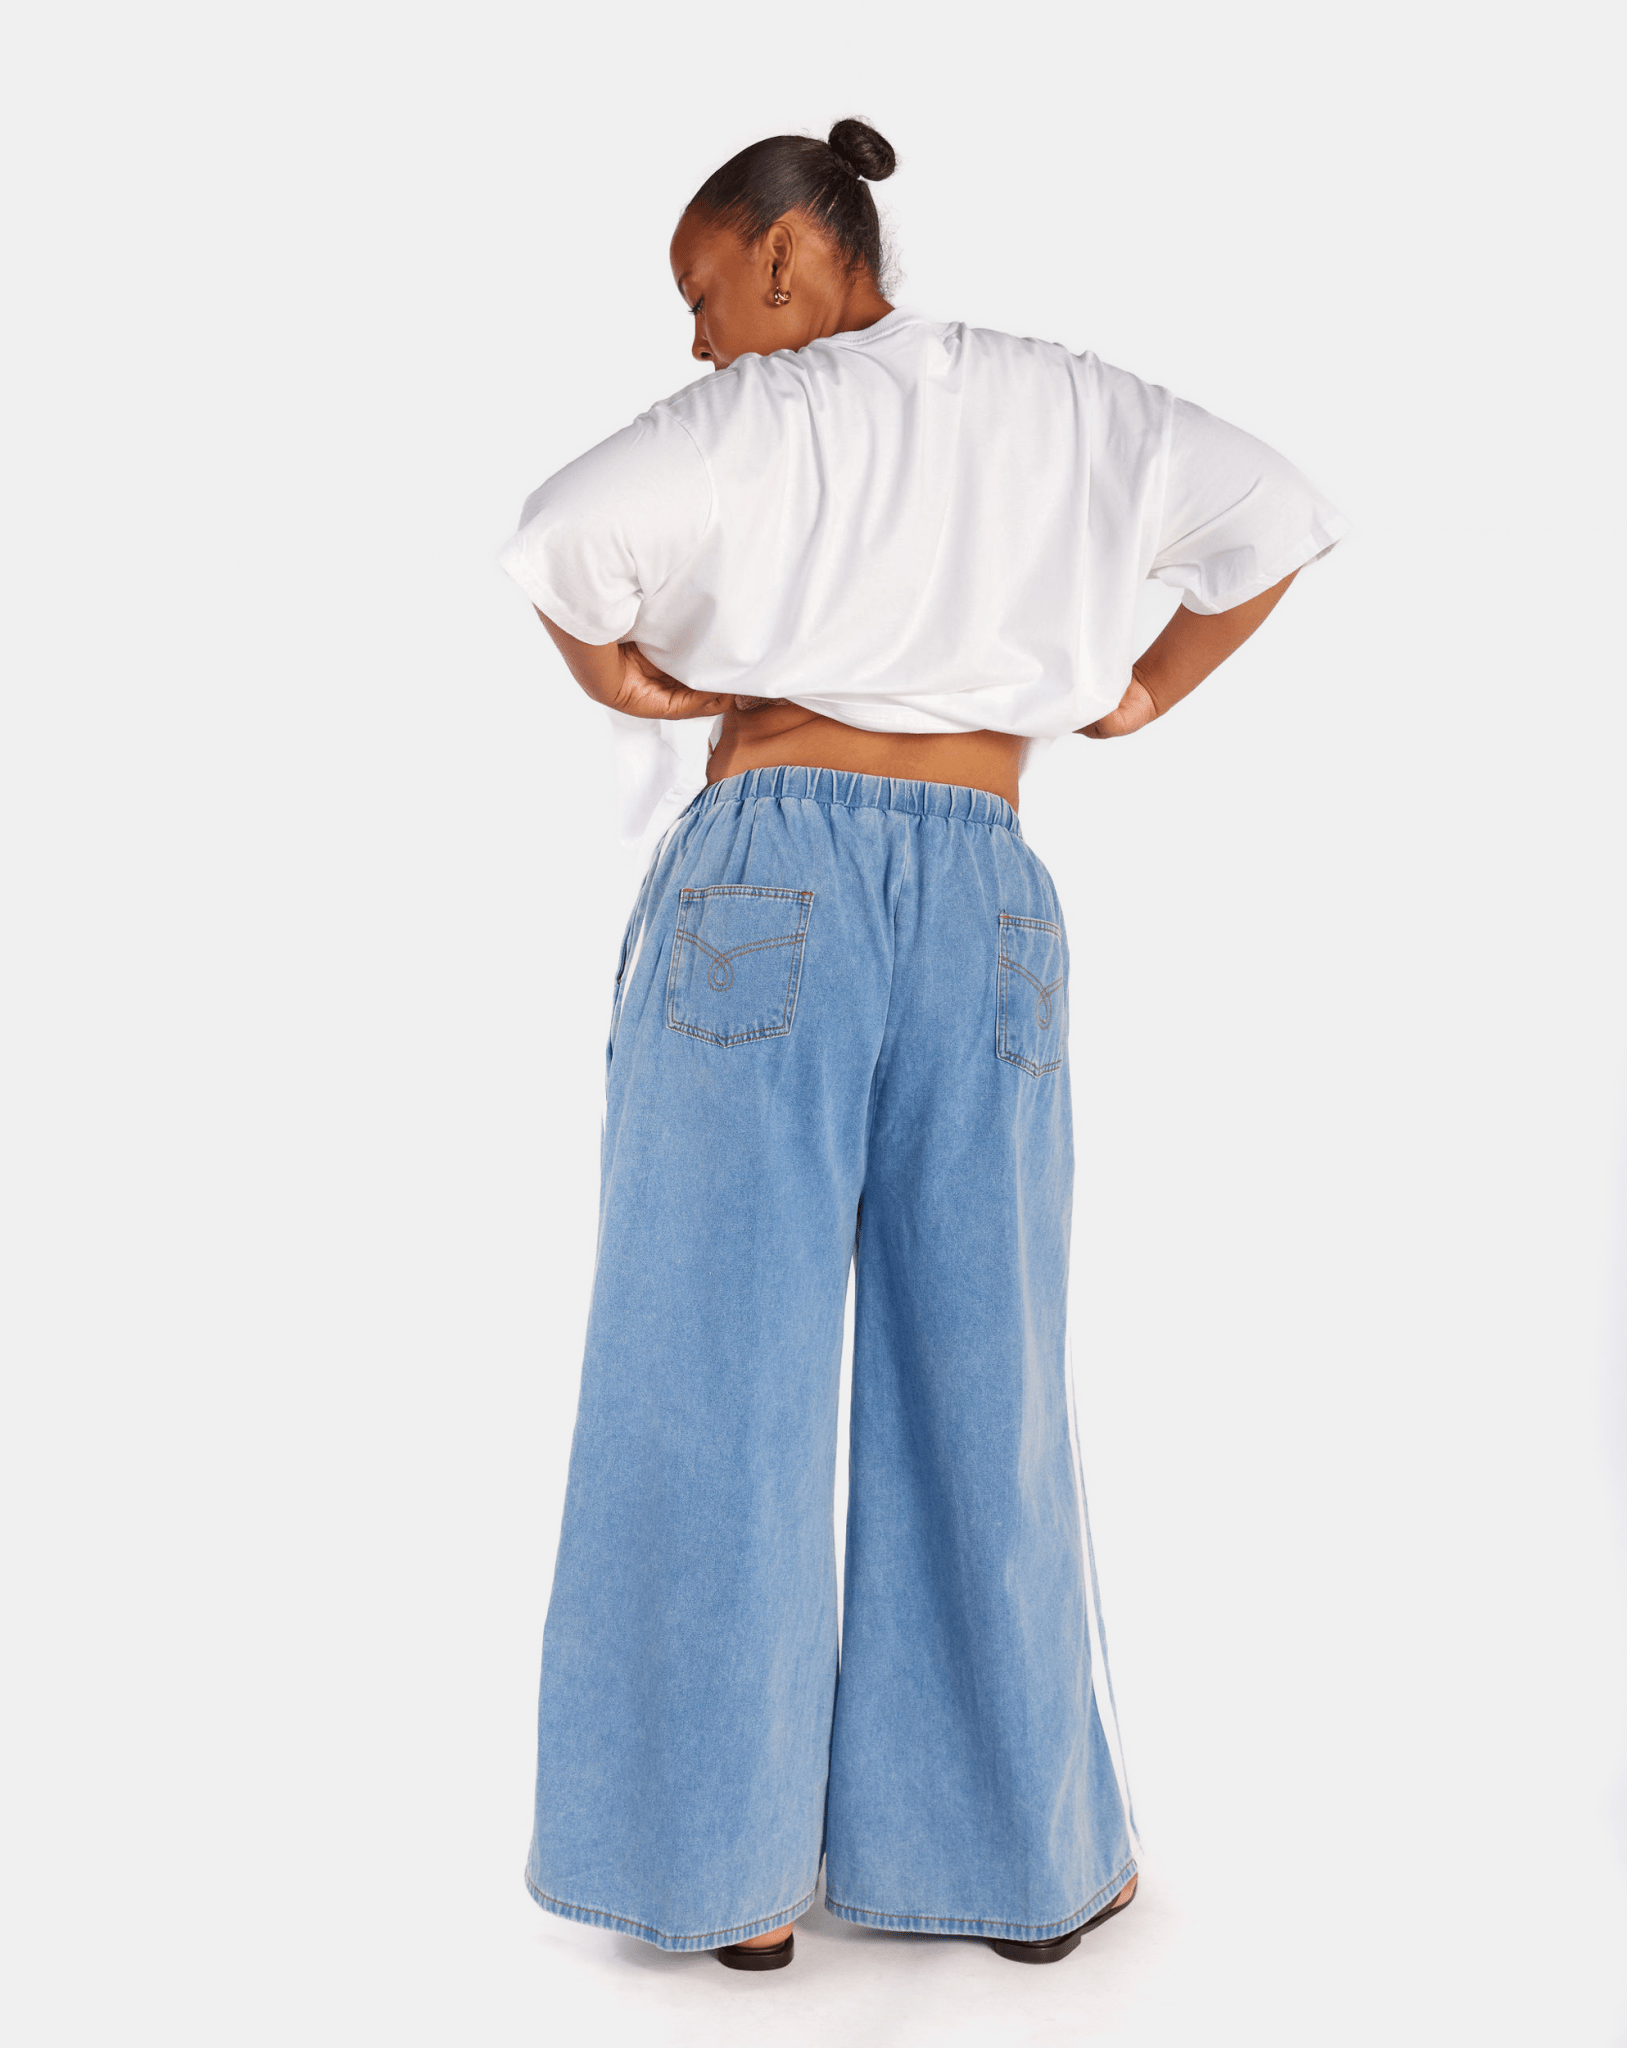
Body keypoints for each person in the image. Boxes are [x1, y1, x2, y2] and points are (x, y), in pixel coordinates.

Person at [499, 117, 1346, 1973]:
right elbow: (1278, 511)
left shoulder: (755, 414)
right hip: (985, 883)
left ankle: (715, 1878)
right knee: (988, 1365)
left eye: (702, 293)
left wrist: (616, 675)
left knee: (707, 1366)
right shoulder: (1067, 399)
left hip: (767, 874)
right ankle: (1016, 1867)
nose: (698, 339)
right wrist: (1140, 691)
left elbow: (557, 541)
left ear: (786, 256)